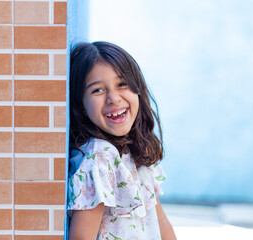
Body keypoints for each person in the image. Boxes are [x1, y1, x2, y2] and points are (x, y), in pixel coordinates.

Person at [68, 41, 176, 240]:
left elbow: (160, 222)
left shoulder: (133, 150)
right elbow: (81, 237)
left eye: (122, 84)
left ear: (137, 89)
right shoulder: (100, 158)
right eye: (97, 90)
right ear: (81, 105)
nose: (113, 98)